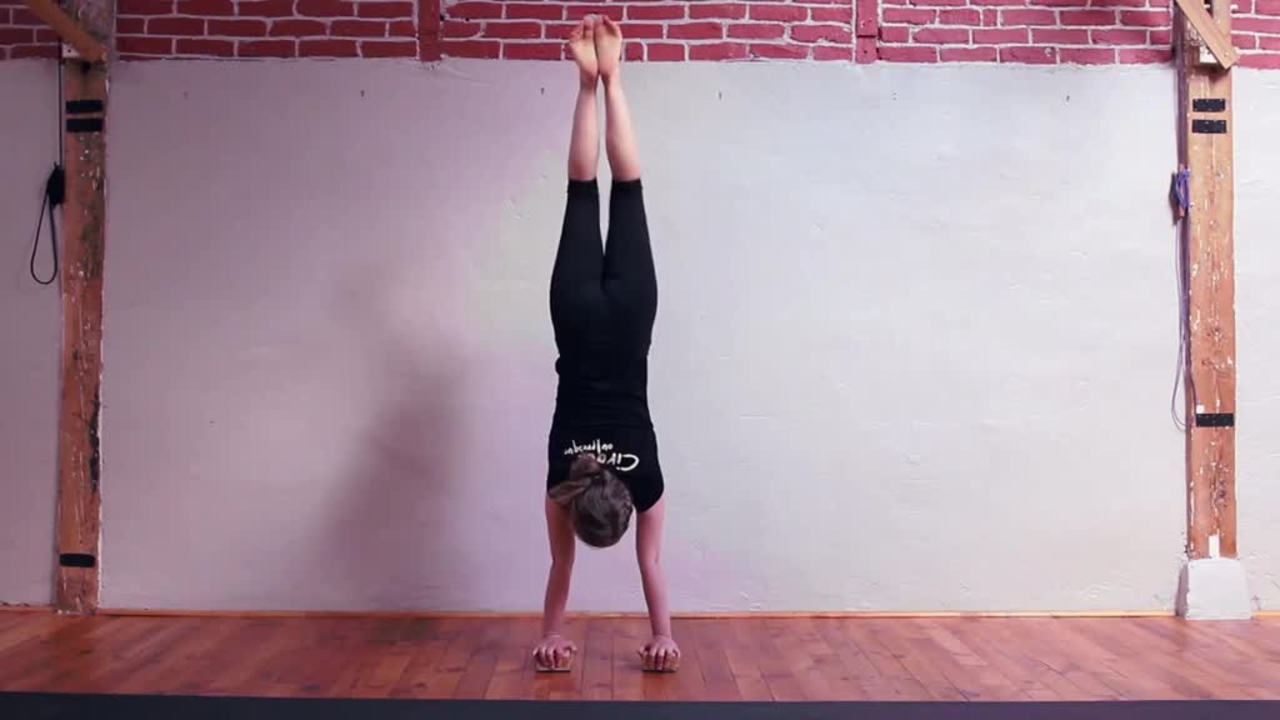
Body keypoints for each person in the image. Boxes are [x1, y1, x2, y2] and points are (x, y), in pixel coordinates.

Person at [532, 15, 680, 674]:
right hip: (574, 316)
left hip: (631, 317)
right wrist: (549, 634)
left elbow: (652, 563)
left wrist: (665, 635)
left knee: (627, 191)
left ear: (623, 505)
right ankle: (588, 81)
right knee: (579, 194)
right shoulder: (560, 483)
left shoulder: (645, 482)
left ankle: (612, 79)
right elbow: (561, 567)